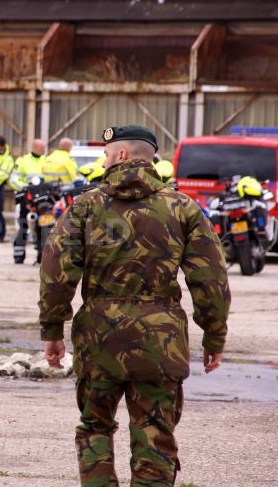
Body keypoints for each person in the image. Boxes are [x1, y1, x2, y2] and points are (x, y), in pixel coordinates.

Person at [38, 124, 230, 487]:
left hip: (99, 340)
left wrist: (52, 330)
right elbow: (212, 280)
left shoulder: (85, 207)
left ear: (122, 155)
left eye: (108, 153)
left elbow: (55, 271)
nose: (104, 159)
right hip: (160, 342)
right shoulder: (183, 209)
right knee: (155, 433)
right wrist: (213, 337)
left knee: (95, 427)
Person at [9, 138, 47, 263]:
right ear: (35, 148)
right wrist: (26, 189)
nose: (44, 150)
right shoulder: (22, 161)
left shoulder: (47, 161)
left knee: (45, 227)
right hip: (27, 199)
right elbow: (14, 180)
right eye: (42, 148)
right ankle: (19, 255)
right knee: (23, 225)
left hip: (43, 200)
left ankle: (42, 255)